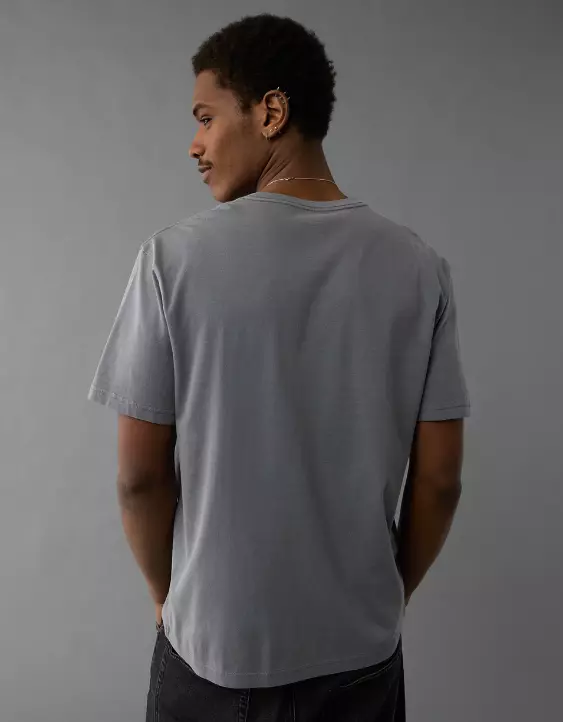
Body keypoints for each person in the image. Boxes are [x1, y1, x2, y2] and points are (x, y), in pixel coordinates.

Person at [87, 13, 470, 722]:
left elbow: (139, 477)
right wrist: (383, 601)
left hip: (211, 651)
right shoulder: (420, 269)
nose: (194, 144)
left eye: (205, 118)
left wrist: (168, 600)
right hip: (357, 654)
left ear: (270, 112)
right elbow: (440, 481)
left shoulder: (171, 261)